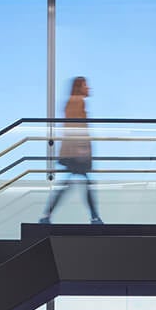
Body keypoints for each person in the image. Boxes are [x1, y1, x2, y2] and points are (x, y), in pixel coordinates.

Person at [39, 76, 102, 224]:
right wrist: (81, 147)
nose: (88, 88)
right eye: (85, 85)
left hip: (73, 150)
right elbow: (75, 126)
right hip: (75, 152)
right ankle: (94, 216)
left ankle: (48, 215)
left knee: (73, 184)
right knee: (83, 184)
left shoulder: (75, 101)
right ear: (79, 87)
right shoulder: (77, 101)